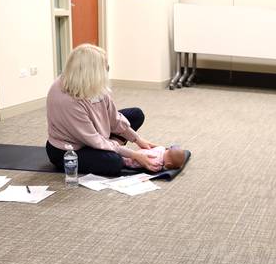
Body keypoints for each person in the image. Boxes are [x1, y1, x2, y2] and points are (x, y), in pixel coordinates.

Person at [46, 43, 186, 176]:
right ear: (91, 73)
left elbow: (113, 118)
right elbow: (94, 140)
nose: (107, 70)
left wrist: (137, 139)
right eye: (104, 68)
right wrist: (134, 155)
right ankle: (112, 148)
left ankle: (112, 146)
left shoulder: (92, 84)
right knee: (114, 163)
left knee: (136, 114)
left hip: (95, 134)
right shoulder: (67, 100)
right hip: (70, 149)